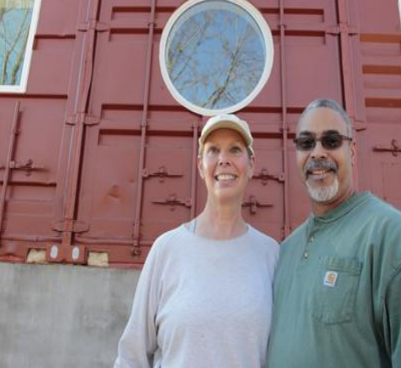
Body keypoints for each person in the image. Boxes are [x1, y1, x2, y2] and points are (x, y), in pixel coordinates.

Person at [266, 99, 401, 368]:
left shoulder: (396, 240)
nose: (317, 153)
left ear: (353, 151)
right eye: (306, 143)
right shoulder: (286, 250)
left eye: (331, 141)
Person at [114, 113, 279, 368]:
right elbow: (131, 357)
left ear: (252, 164)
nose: (224, 160)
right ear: (201, 165)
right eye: (213, 150)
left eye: (235, 150)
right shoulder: (167, 250)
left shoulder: (271, 254)